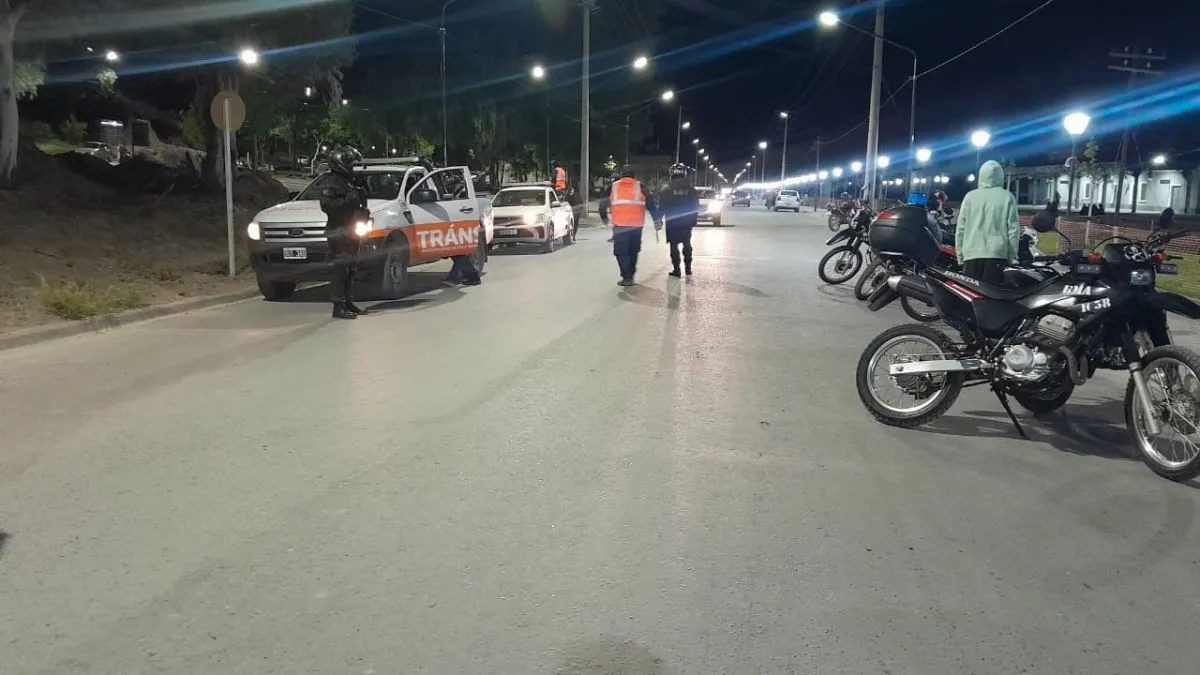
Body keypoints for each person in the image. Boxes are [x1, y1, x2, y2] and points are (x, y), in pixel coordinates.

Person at [319, 146, 371, 319]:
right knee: (340, 269)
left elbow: (359, 205)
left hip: (351, 231)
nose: (353, 167)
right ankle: (338, 306)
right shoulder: (332, 182)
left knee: (351, 268)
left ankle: (348, 301)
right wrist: (347, 201)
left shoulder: (349, 181)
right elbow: (326, 206)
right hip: (338, 231)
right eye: (350, 163)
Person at [955, 160, 1019, 284]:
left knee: (971, 295)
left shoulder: (970, 197)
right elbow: (1013, 230)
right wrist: (1011, 256)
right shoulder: (1007, 197)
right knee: (992, 296)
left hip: (971, 255)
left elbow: (960, 229)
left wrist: (960, 255)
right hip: (997, 255)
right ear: (1000, 176)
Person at [609, 164, 654, 286]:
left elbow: (603, 203)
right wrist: (657, 220)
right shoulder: (641, 186)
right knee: (633, 251)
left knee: (621, 252)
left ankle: (627, 276)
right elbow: (651, 203)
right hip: (636, 226)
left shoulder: (614, 186)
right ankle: (631, 275)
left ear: (621, 174)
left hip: (620, 226)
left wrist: (603, 216)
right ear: (634, 175)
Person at [657, 163, 699, 277]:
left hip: (672, 222)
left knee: (673, 245)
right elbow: (695, 206)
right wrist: (694, 220)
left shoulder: (666, 189)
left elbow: (661, 207)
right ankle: (688, 268)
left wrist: (658, 220)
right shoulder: (691, 189)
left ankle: (677, 270)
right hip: (687, 222)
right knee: (687, 244)